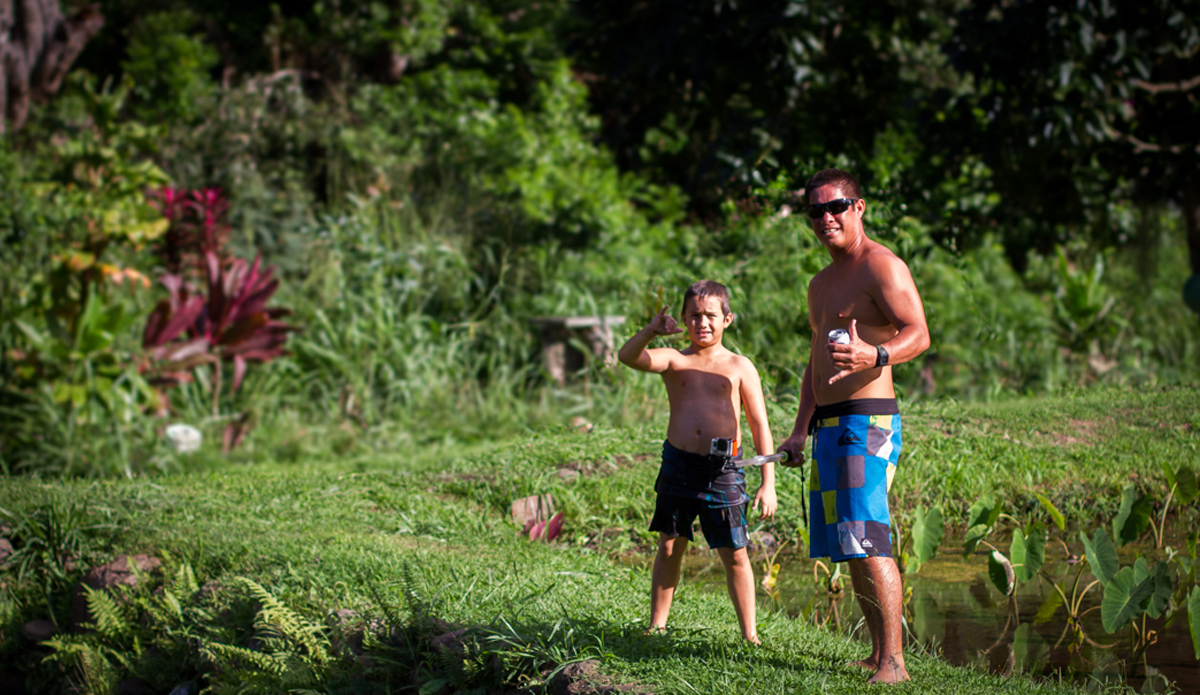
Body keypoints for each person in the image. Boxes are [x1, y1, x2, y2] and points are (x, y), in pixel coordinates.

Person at [777, 169, 930, 684]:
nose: (826, 218)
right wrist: (800, 428)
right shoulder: (820, 284)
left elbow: (920, 334)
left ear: (858, 207)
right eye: (815, 211)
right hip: (829, 424)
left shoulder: (880, 266)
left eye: (836, 206)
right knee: (849, 543)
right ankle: (874, 654)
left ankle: (894, 664)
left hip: (868, 422)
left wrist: (875, 354)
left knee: (867, 539)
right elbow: (815, 362)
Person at [618, 280, 778, 644]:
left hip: (723, 469)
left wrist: (767, 483)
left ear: (727, 319)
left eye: (710, 316)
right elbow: (629, 357)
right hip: (678, 465)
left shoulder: (739, 366)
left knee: (734, 552)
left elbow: (759, 424)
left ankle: (749, 636)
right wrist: (650, 330)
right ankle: (657, 625)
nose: (701, 323)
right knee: (670, 543)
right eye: (694, 315)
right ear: (684, 319)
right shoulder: (675, 359)